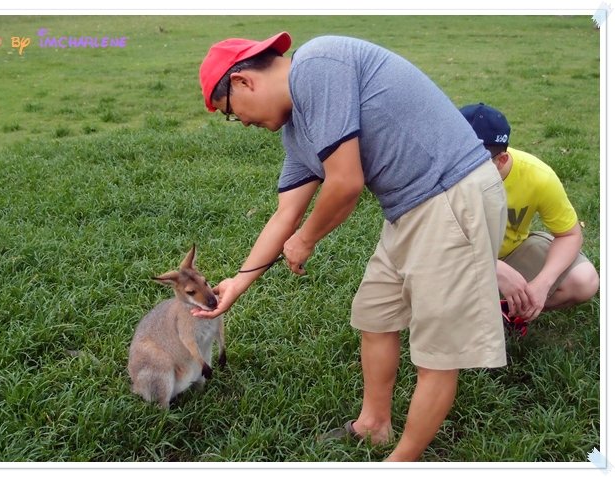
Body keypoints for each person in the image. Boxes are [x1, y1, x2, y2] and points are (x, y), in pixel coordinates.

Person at [195, 32, 508, 462]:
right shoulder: (297, 129)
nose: (242, 123)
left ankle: (401, 461)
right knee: (375, 315)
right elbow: (285, 214)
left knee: (437, 351)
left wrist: (305, 241)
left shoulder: (318, 64)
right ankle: (373, 425)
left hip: (452, 195)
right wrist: (239, 283)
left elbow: (345, 184)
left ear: (244, 82)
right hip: (410, 209)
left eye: (231, 113)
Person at [460, 103, 599, 322]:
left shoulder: (537, 176)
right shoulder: (439, 168)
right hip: (455, 252)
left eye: (475, 162)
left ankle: (506, 312)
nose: (462, 168)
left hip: (511, 250)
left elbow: (570, 235)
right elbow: (425, 237)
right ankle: (474, 312)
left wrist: (541, 284)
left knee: (584, 280)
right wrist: (493, 266)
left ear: (501, 160)